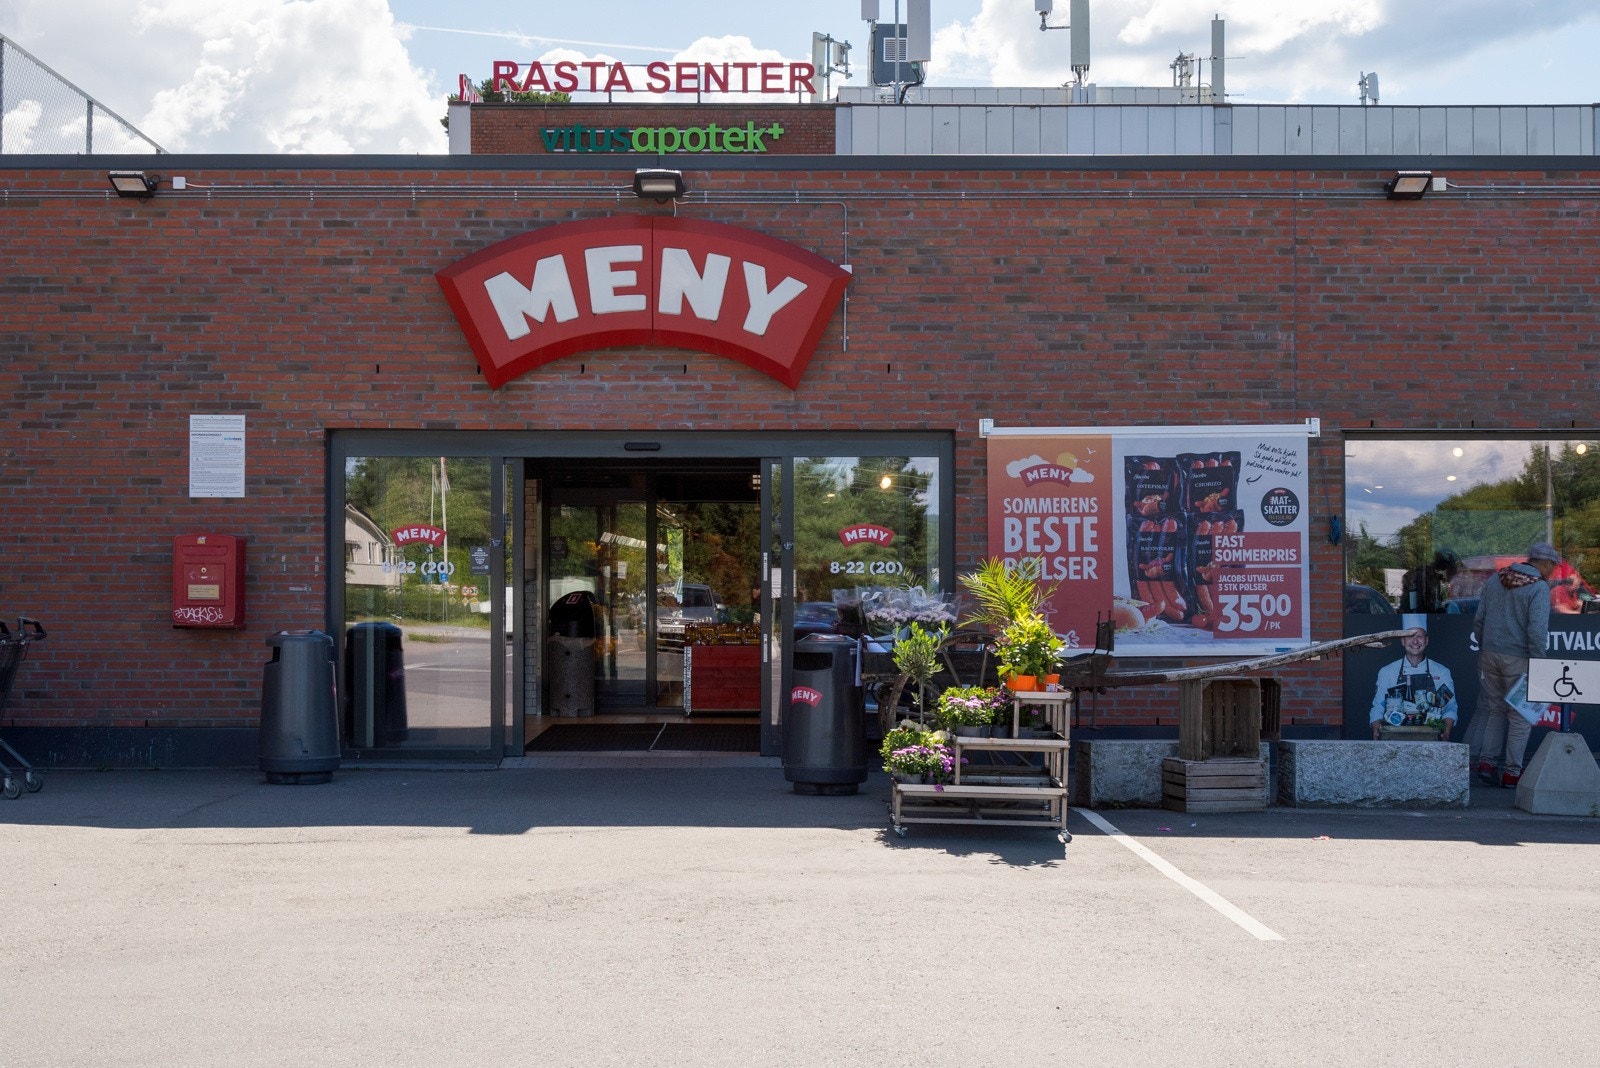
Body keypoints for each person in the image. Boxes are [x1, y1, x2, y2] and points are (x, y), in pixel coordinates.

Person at [1470, 541, 1558, 787]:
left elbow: (1479, 620)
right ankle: (1512, 773)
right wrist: (1539, 664)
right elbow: (1537, 632)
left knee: (1496, 710)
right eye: (1553, 566)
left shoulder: (1496, 579)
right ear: (1546, 563)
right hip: (1519, 658)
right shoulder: (1538, 587)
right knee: (1520, 716)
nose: (1553, 571)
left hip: (1489, 655)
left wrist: (1486, 646)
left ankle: (1487, 763)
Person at [1369, 620, 1457, 740]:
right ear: (1402, 640)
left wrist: (1446, 732)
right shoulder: (1387, 672)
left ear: (1426, 640)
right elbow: (1378, 707)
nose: (1415, 641)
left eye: (1419, 636)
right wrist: (1376, 728)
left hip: (1430, 738)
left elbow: (1450, 708)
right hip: (1394, 736)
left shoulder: (1442, 672)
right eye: (1410, 636)